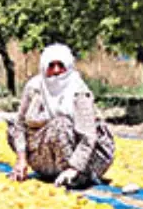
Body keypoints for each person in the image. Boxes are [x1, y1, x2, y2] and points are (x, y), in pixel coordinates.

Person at [7, 44, 115, 188]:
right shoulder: (34, 88)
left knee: (61, 124)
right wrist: (21, 160)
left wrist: (74, 168)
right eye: (51, 65)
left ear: (69, 67)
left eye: (61, 65)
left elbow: (89, 136)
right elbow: (20, 124)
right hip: (45, 155)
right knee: (11, 127)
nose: (56, 71)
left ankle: (73, 177)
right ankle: (53, 172)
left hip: (84, 159)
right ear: (44, 67)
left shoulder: (79, 92)